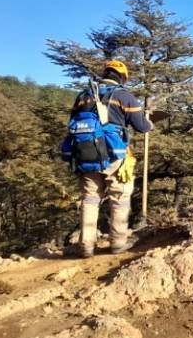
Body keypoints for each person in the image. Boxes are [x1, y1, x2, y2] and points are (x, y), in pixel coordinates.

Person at [65, 60, 152, 258]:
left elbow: (72, 122)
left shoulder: (84, 95)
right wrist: (149, 123)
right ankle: (118, 243)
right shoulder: (124, 96)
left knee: (90, 199)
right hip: (115, 156)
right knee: (119, 198)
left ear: (105, 73)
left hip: (86, 155)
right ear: (122, 77)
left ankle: (86, 246)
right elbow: (142, 127)